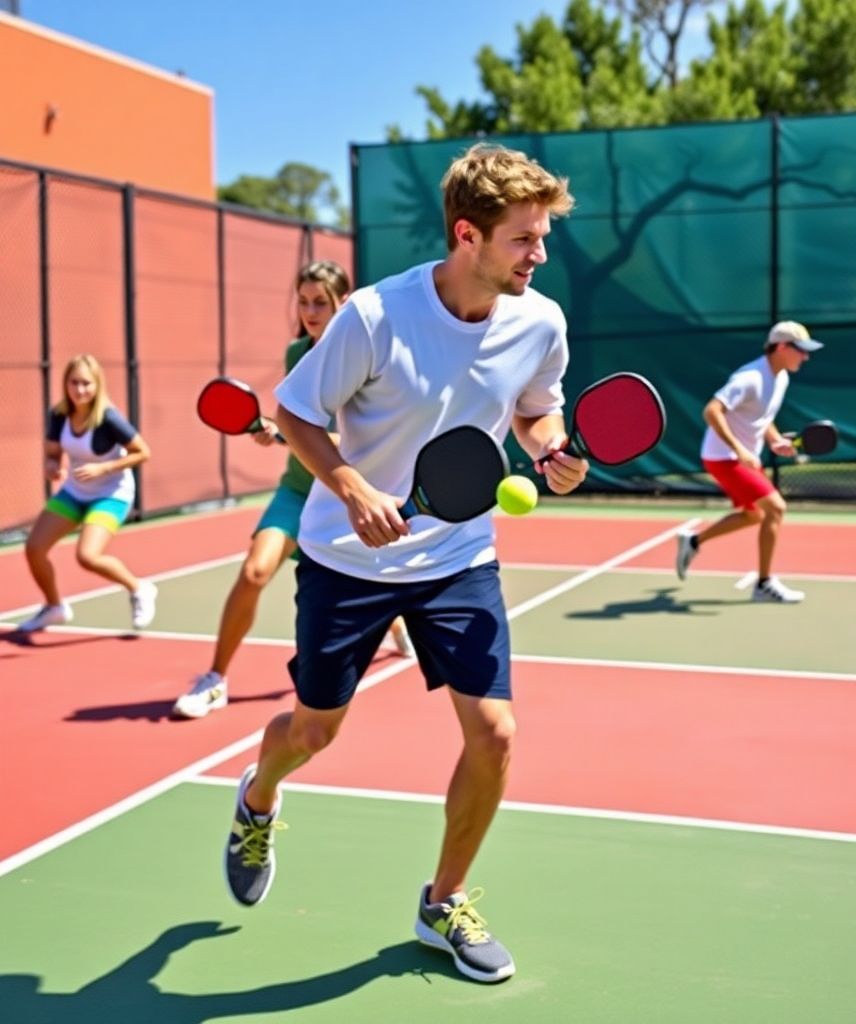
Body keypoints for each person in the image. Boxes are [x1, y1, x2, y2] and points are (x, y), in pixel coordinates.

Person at [221, 143, 586, 984]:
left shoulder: (542, 322)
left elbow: (536, 417)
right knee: (313, 731)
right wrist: (349, 486)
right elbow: (296, 409)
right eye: (525, 239)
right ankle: (259, 798)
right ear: (469, 234)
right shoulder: (376, 316)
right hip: (347, 556)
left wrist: (552, 451)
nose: (539, 253)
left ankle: (442, 902)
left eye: (542, 237)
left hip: (458, 553)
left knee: (494, 734)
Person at [173, 260, 414, 720]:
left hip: (349, 495)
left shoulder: (371, 355)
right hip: (298, 491)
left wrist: (294, 436)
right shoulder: (295, 352)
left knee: (374, 582)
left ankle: (396, 625)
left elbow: (362, 442)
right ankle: (215, 679)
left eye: (320, 302)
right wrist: (273, 428)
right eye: (302, 302)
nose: (309, 311)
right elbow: (297, 419)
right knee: (253, 572)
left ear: (344, 301)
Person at [674, 320, 824, 603]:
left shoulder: (780, 377)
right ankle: (764, 584)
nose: (805, 357)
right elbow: (712, 411)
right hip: (723, 457)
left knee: (753, 515)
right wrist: (740, 449)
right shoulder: (751, 378)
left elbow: (761, 417)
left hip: (740, 458)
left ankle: (693, 542)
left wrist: (775, 440)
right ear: (781, 347)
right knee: (776, 508)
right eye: (801, 350)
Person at [18, 353, 157, 632]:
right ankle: (54, 606)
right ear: (65, 384)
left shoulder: (109, 419)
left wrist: (103, 469)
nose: (79, 389)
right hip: (74, 491)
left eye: (86, 383)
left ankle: (139, 588)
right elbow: (53, 453)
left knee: (88, 556)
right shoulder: (59, 416)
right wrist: (52, 466)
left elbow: (143, 452)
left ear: (97, 385)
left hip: (111, 494)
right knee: (34, 548)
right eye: (74, 382)